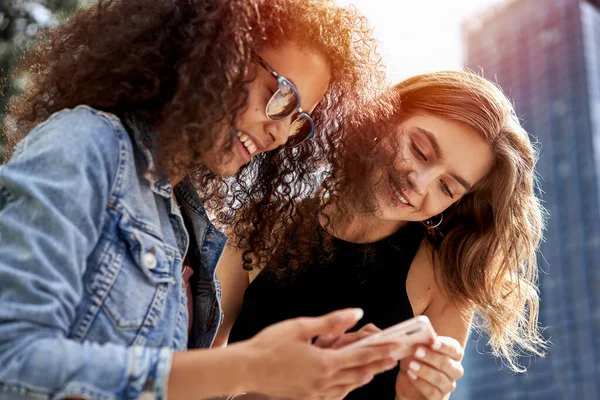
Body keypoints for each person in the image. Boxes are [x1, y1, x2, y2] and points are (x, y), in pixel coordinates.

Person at [0, 0, 400, 399]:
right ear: (215, 51)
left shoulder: (186, 224)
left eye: (297, 120)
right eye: (281, 96)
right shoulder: (87, 145)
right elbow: (13, 359)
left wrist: (284, 380)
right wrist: (246, 366)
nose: (279, 133)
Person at [215, 71, 548, 400]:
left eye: (446, 188)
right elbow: (192, 371)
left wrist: (415, 397)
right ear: (386, 116)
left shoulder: (444, 281)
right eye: (419, 150)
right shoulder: (265, 221)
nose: (420, 182)